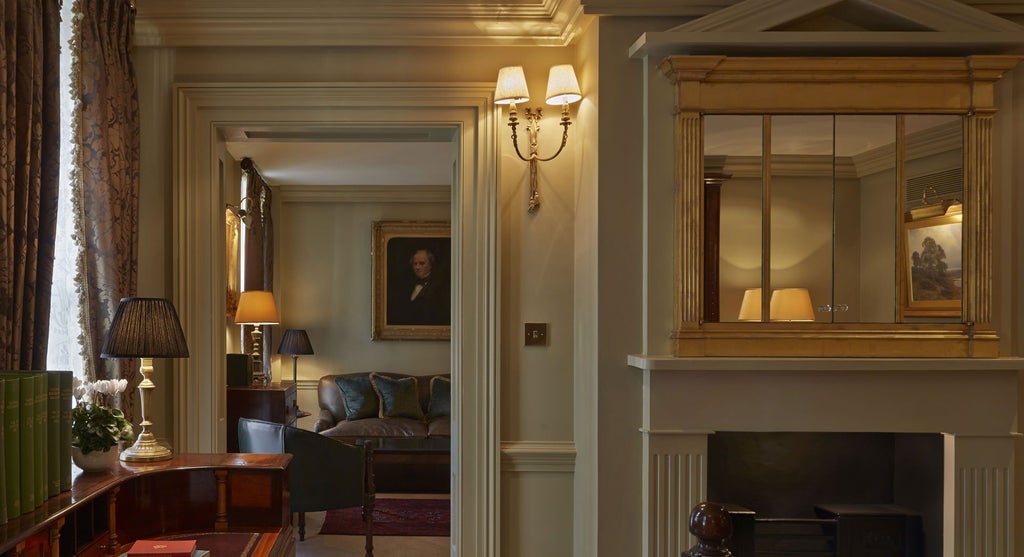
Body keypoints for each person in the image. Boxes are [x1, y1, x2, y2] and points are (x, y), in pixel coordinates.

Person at [389, 247, 450, 326]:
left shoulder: (440, 287)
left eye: (422, 263)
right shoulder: (406, 285)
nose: (417, 267)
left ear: (430, 265)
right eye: (415, 264)